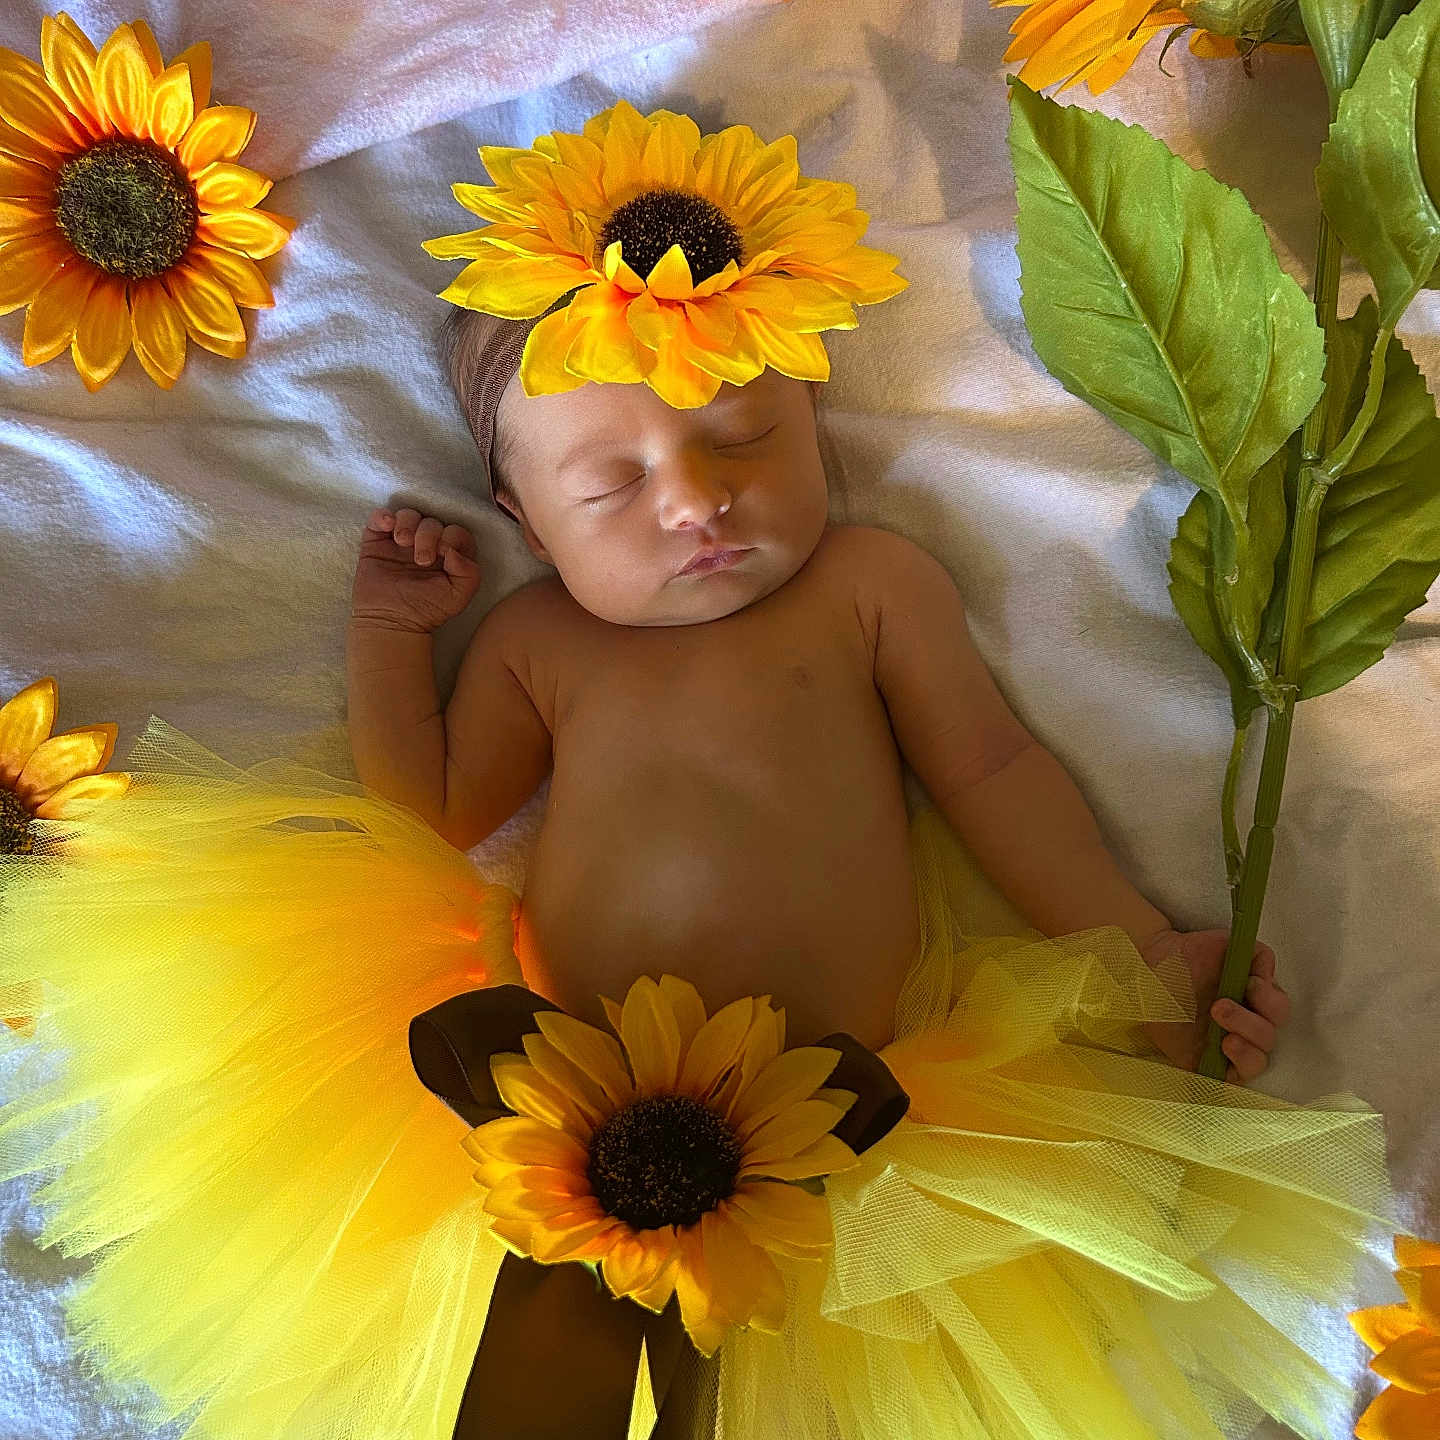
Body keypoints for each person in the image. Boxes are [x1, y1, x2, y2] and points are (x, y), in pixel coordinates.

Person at [0, 99, 1398, 1440]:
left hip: (866, 1115)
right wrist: (391, 637)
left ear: (815, 421)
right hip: (548, 1116)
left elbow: (991, 771)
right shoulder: (541, 641)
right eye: (610, 483)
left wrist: (1138, 947)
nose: (696, 496)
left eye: (746, 436)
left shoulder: (868, 584)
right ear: (526, 520)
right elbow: (422, 820)